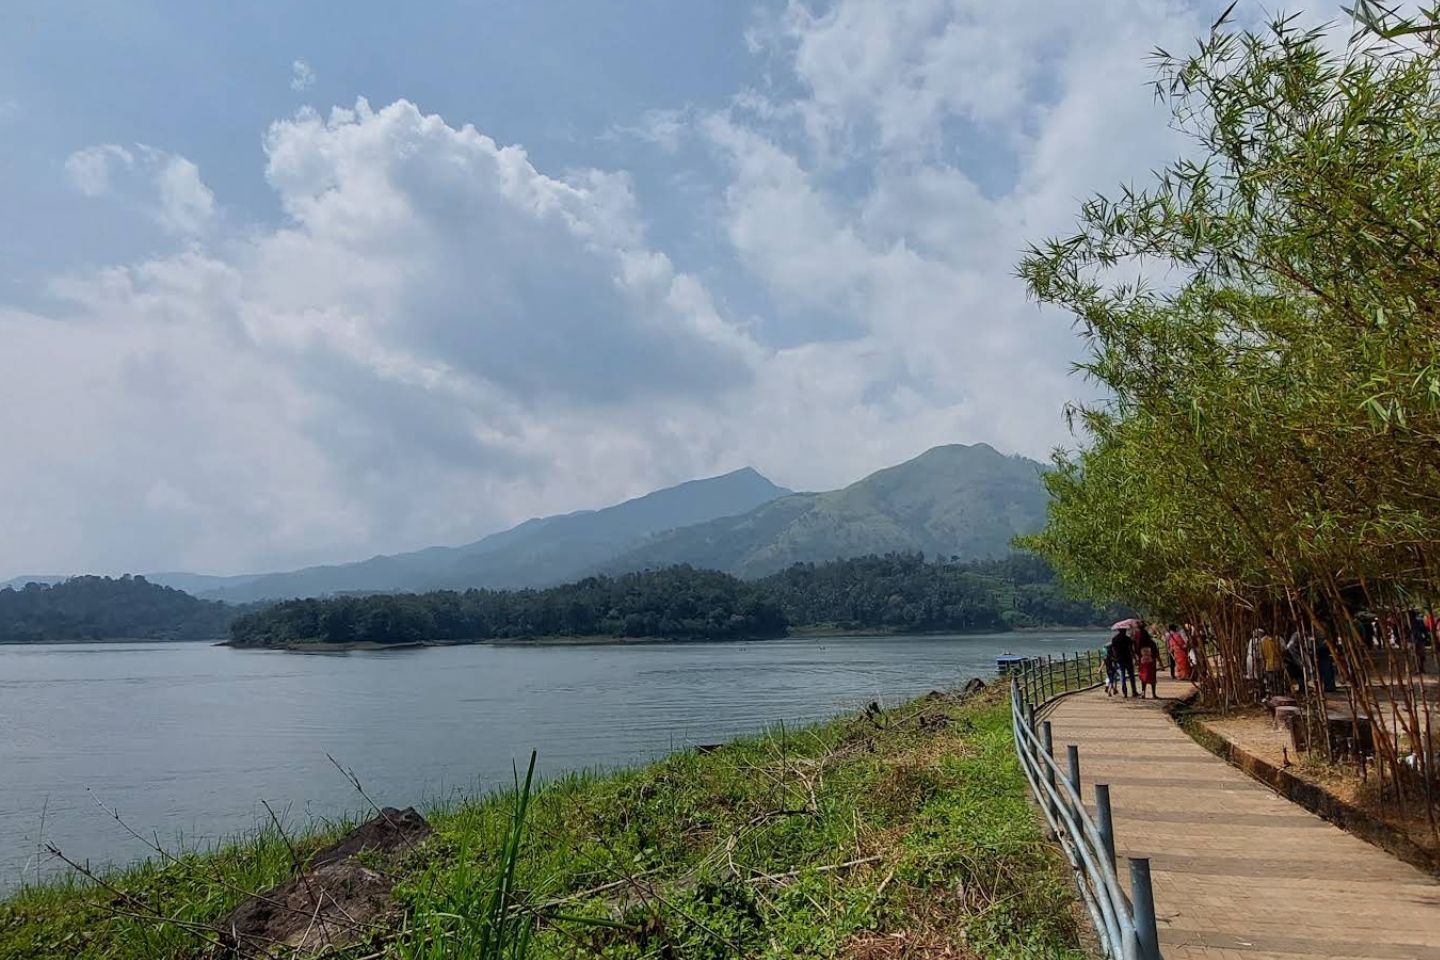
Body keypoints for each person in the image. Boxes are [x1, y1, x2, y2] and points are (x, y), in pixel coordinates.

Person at [1108, 628, 1137, 698]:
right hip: (1128, 658)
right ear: (1125, 630)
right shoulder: (1127, 639)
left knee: (1122, 675)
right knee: (1131, 675)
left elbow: (1114, 649)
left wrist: (1116, 657)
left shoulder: (1115, 639)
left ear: (1118, 630)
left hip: (1120, 659)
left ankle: (1125, 691)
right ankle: (1134, 691)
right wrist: (1135, 658)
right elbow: (1131, 649)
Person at [1260, 629, 1288, 697]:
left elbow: (1261, 654)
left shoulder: (1262, 640)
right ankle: (1279, 697)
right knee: (1279, 683)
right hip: (1278, 665)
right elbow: (1284, 650)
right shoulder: (1279, 639)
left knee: (1271, 683)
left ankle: (1273, 697)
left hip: (1268, 666)